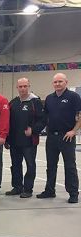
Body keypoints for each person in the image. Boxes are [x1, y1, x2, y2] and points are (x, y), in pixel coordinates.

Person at [37, 73, 81, 203]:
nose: (57, 84)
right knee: (51, 166)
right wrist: (34, 130)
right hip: (51, 137)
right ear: (53, 84)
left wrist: (73, 131)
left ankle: (73, 193)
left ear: (66, 82)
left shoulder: (74, 97)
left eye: (60, 81)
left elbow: (80, 116)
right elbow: (44, 118)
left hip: (66, 137)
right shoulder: (49, 98)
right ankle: (50, 190)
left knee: (70, 166)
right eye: (55, 82)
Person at [5, 78, 46, 198]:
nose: (23, 88)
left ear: (29, 86)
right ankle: (17, 187)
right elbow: (8, 122)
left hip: (29, 142)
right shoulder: (13, 103)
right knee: (15, 165)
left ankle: (28, 189)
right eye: (20, 86)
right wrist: (7, 139)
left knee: (30, 165)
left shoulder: (35, 102)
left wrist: (33, 130)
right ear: (17, 88)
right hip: (14, 141)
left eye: (25, 86)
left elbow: (43, 120)